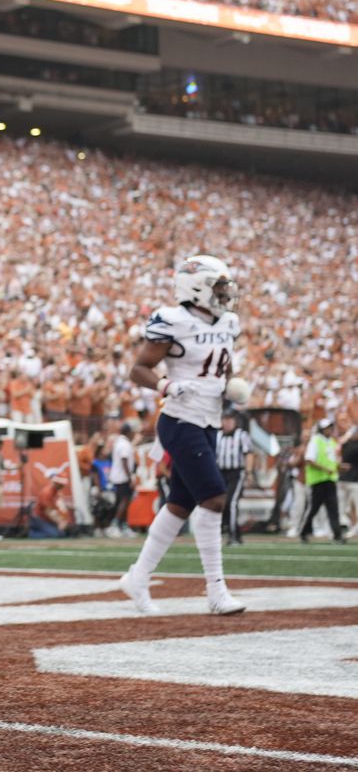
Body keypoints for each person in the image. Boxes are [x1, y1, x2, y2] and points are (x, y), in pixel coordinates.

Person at [119, 255, 248, 616]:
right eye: (218, 287)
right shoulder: (173, 321)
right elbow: (139, 369)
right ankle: (216, 590)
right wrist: (165, 384)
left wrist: (231, 385)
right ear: (197, 288)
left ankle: (138, 577)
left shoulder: (228, 322)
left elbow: (223, 366)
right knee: (214, 497)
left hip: (208, 420)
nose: (224, 295)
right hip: (180, 420)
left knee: (179, 503)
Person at [300, 418, 344, 543]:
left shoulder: (332, 442)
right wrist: (326, 469)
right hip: (317, 481)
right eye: (326, 428)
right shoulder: (315, 441)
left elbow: (332, 461)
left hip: (330, 480)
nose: (329, 430)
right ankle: (304, 532)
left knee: (333, 508)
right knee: (313, 509)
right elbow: (309, 459)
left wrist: (340, 467)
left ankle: (337, 535)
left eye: (330, 428)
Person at [215, 411, 253, 545]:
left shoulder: (241, 435)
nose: (227, 422)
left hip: (236, 473)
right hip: (220, 473)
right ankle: (237, 534)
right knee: (222, 503)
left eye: (230, 420)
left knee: (231, 503)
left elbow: (248, 454)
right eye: (225, 419)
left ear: (235, 421)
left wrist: (248, 472)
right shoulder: (217, 435)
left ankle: (232, 536)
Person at [109, 422, 138, 538]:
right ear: (128, 432)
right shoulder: (124, 444)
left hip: (119, 477)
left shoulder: (120, 442)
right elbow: (124, 461)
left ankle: (123, 526)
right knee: (124, 501)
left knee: (123, 501)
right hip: (122, 477)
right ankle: (115, 525)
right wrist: (130, 477)